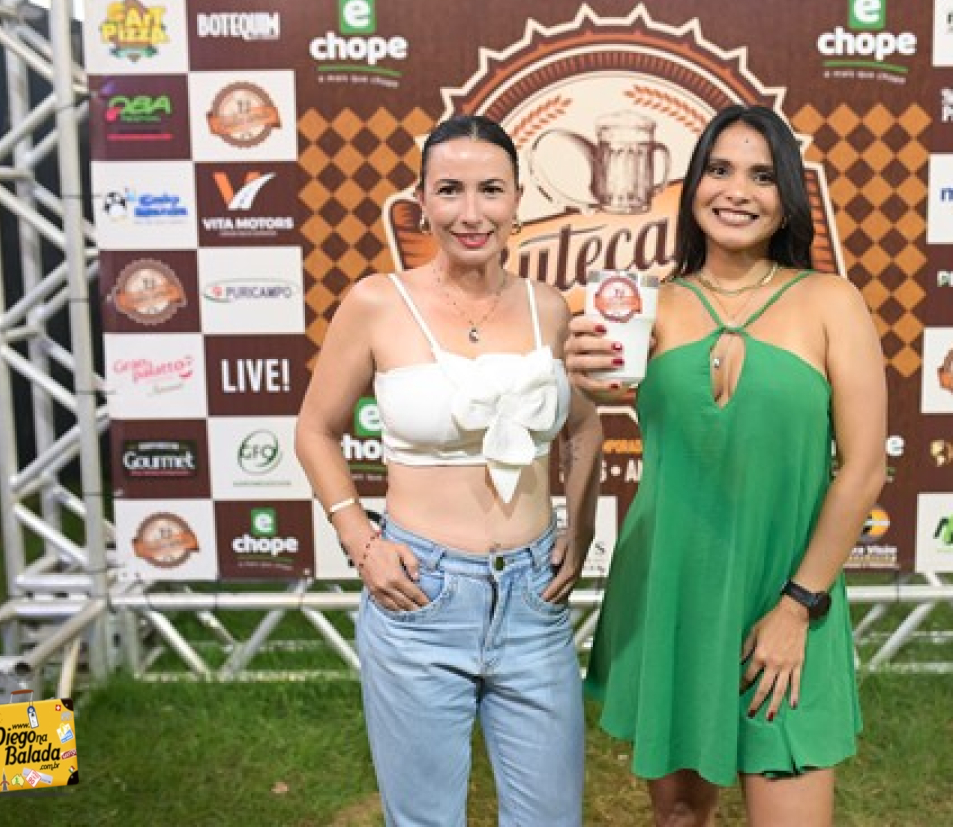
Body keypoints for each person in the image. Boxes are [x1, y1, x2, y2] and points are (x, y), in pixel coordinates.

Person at [566, 105, 887, 826]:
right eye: (719, 169)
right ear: (693, 188)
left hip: (788, 596)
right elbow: (562, 387)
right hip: (672, 590)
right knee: (680, 817)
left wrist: (797, 607)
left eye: (762, 176)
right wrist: (577, 376)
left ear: (787, 199)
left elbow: (864, 468)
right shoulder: (646, 304)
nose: (737, 190)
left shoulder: (831, 302)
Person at [295, 114, 602, 827]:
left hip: (533, 601)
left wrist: (580, 530)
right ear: (422, 202)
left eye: (490, 190)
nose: (471, 213)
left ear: (518, 200)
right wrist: (363, 543)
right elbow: (315, 430)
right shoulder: (377, 302)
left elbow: (585, 426)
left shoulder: (550, 308)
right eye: (450, 190)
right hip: (420, 598)